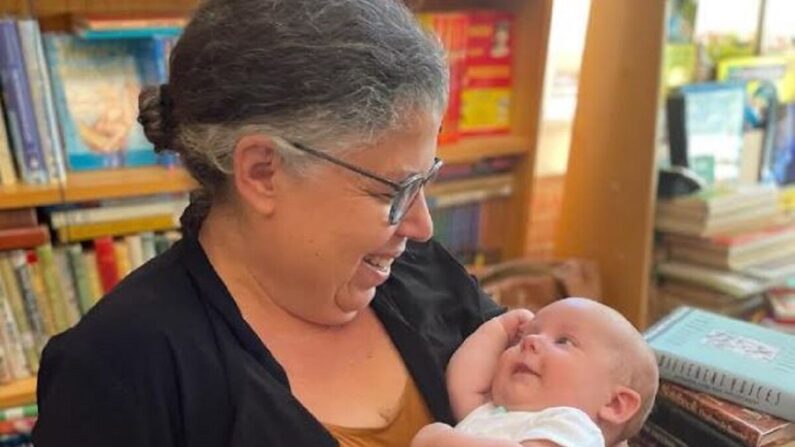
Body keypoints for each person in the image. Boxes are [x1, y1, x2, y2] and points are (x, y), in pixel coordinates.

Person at [32, 1, 506, 446]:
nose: (422, 226)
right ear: (262, 172)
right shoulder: (118, 370)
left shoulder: (422, 276)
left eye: (427, 178)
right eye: (393, 190)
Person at [411, 297, 659, 447]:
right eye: (524, 337)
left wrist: (438, 439)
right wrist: (498, 329)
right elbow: (463, 382)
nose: (531, 342)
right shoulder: (493, 412)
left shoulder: (573, 427)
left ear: (615, 404)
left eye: (564, 341)